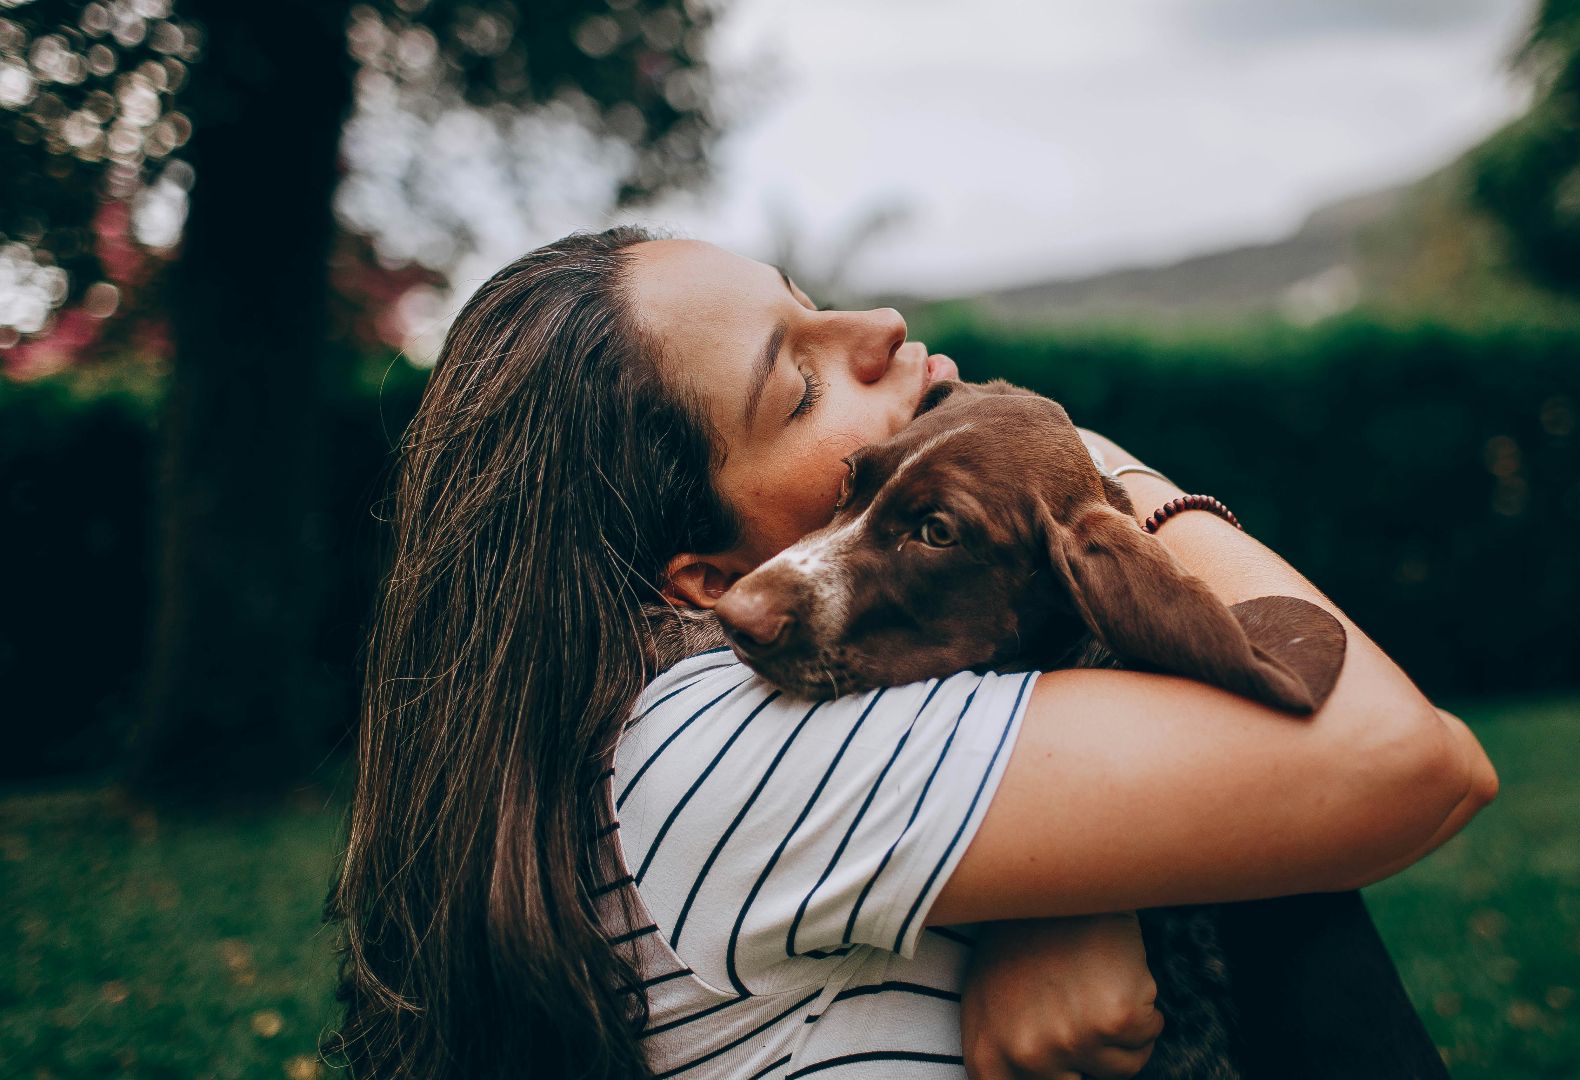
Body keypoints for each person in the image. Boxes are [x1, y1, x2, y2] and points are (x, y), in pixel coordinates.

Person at [326, 226, 1498, 1080]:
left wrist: (1096, 890)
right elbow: (1412, 761)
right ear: (709, 587)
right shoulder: (700, 745)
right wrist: (1099, 474)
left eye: (809, 297)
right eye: (800, 383)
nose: (879, 327)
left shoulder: (834, 698)